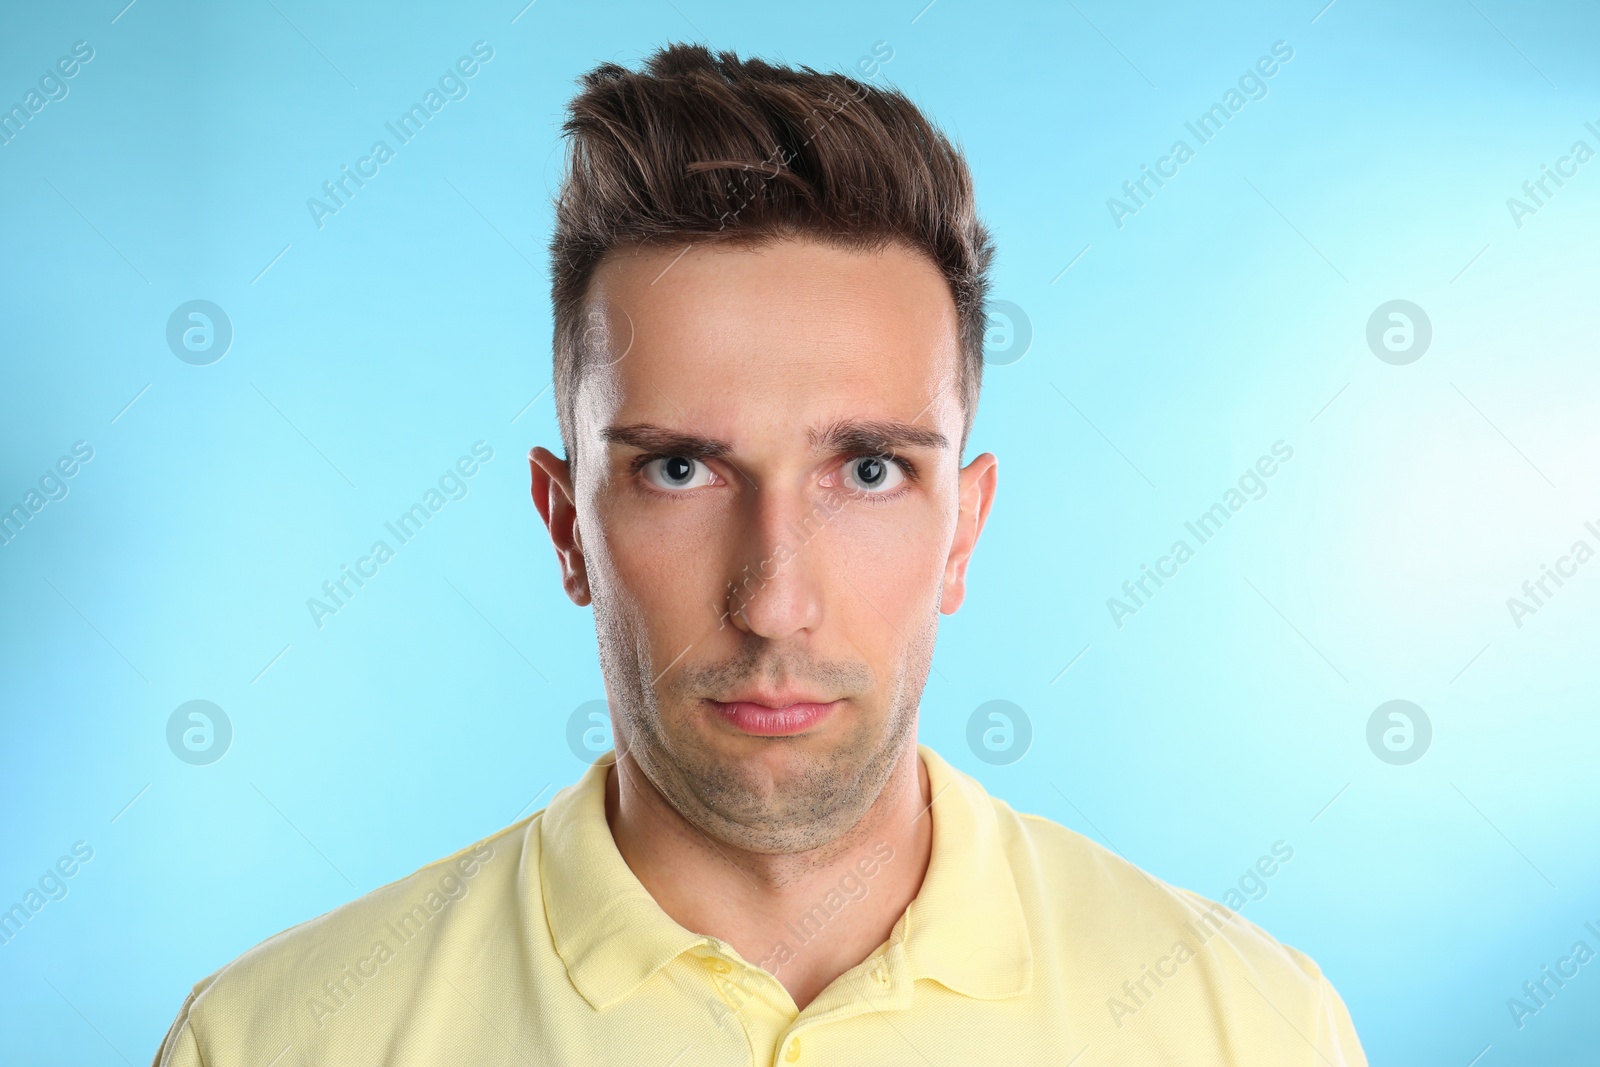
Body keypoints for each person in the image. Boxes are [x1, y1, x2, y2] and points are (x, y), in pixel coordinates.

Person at [152, 43, 1367, 1066]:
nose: (774, 599)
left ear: (964, 529)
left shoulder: (1250, 1028)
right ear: (567, 522)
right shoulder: (270, 1041)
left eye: (870, 469)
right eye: (681, 467)